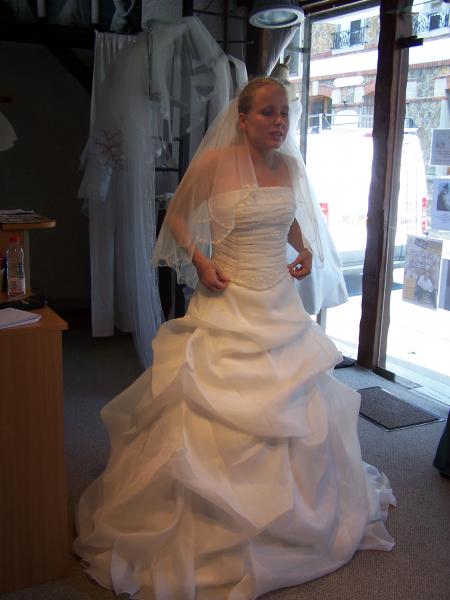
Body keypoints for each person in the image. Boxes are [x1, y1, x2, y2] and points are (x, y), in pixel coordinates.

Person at [74, 78, 395, 600]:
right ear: (242, 119)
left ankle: (297, 516)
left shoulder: (289, 167)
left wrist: (303, 248)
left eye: (284, 113)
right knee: (209, 405)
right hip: (226, 298)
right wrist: (200, 261)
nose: (279, 122)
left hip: (280, 307)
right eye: (267, 113)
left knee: (296, 406)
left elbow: (290, 217)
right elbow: (178, 219)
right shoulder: (212, 164)